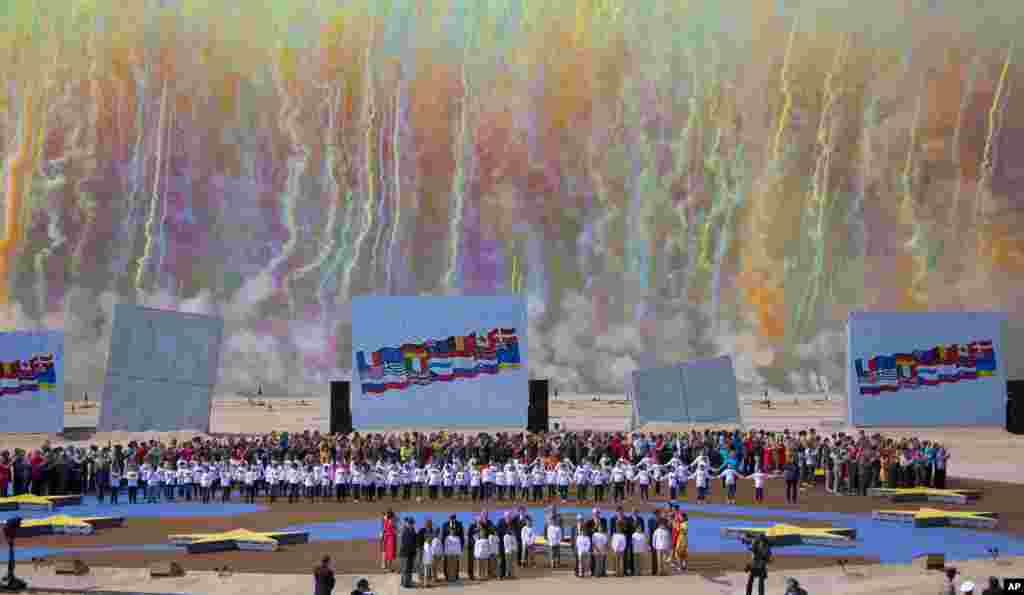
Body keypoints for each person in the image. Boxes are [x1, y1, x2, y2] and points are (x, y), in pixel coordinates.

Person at [400, 518, 417, 588]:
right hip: (405, 553)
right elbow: (405, 543)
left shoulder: (413, 531)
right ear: (408, 524)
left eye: (412, 523)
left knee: (409, 569)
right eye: (410, 523)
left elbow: (414, 542)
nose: (412, 525)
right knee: (405, 569)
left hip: (411, 554)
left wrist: (414, 552)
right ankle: (405, 583)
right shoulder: (405, 531)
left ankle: (408, 582)